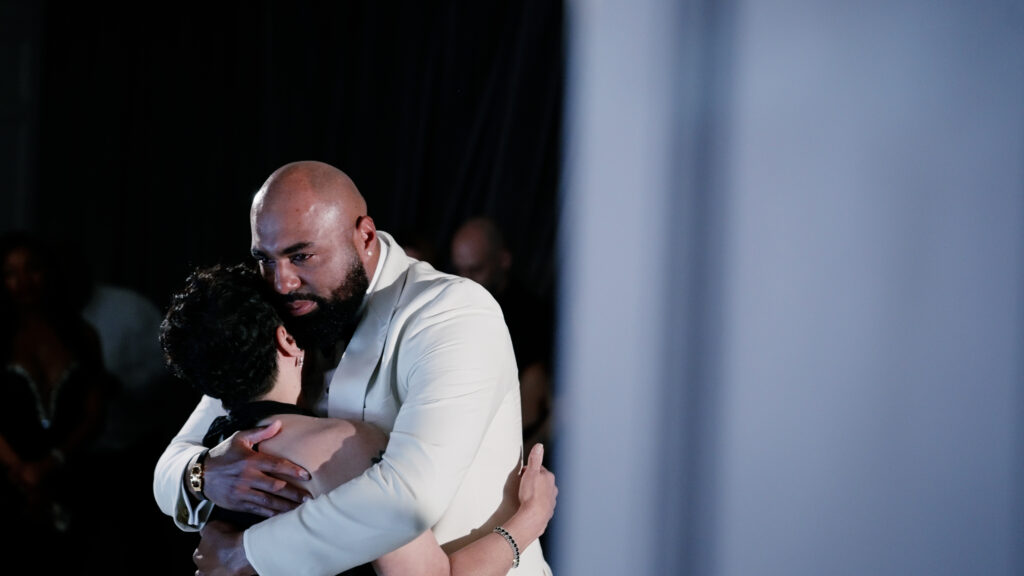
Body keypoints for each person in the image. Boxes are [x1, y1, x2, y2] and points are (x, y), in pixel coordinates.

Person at [153, 160, 553, 575]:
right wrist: (202, 474)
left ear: (363, 236)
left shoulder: (452, 313)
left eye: (301, 255)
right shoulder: (286, 308)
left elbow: (407, 501)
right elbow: (174, 461)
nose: (280, 281)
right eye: (265, 259)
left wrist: (246, 554)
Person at [0, 231, 114, 570]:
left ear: (48, 272)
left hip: (69, 476)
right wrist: (21, 470)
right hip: (8, 476)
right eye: (10, 272)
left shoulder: (81, 335)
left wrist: (50, 464)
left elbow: (95, 414)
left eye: (31, 268)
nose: (23, 281)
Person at [449, 216, 555, 455]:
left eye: (476, 270)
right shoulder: (454, 309)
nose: (465, 281)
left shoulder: (534, 320)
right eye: (459, 270)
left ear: (503, 260)